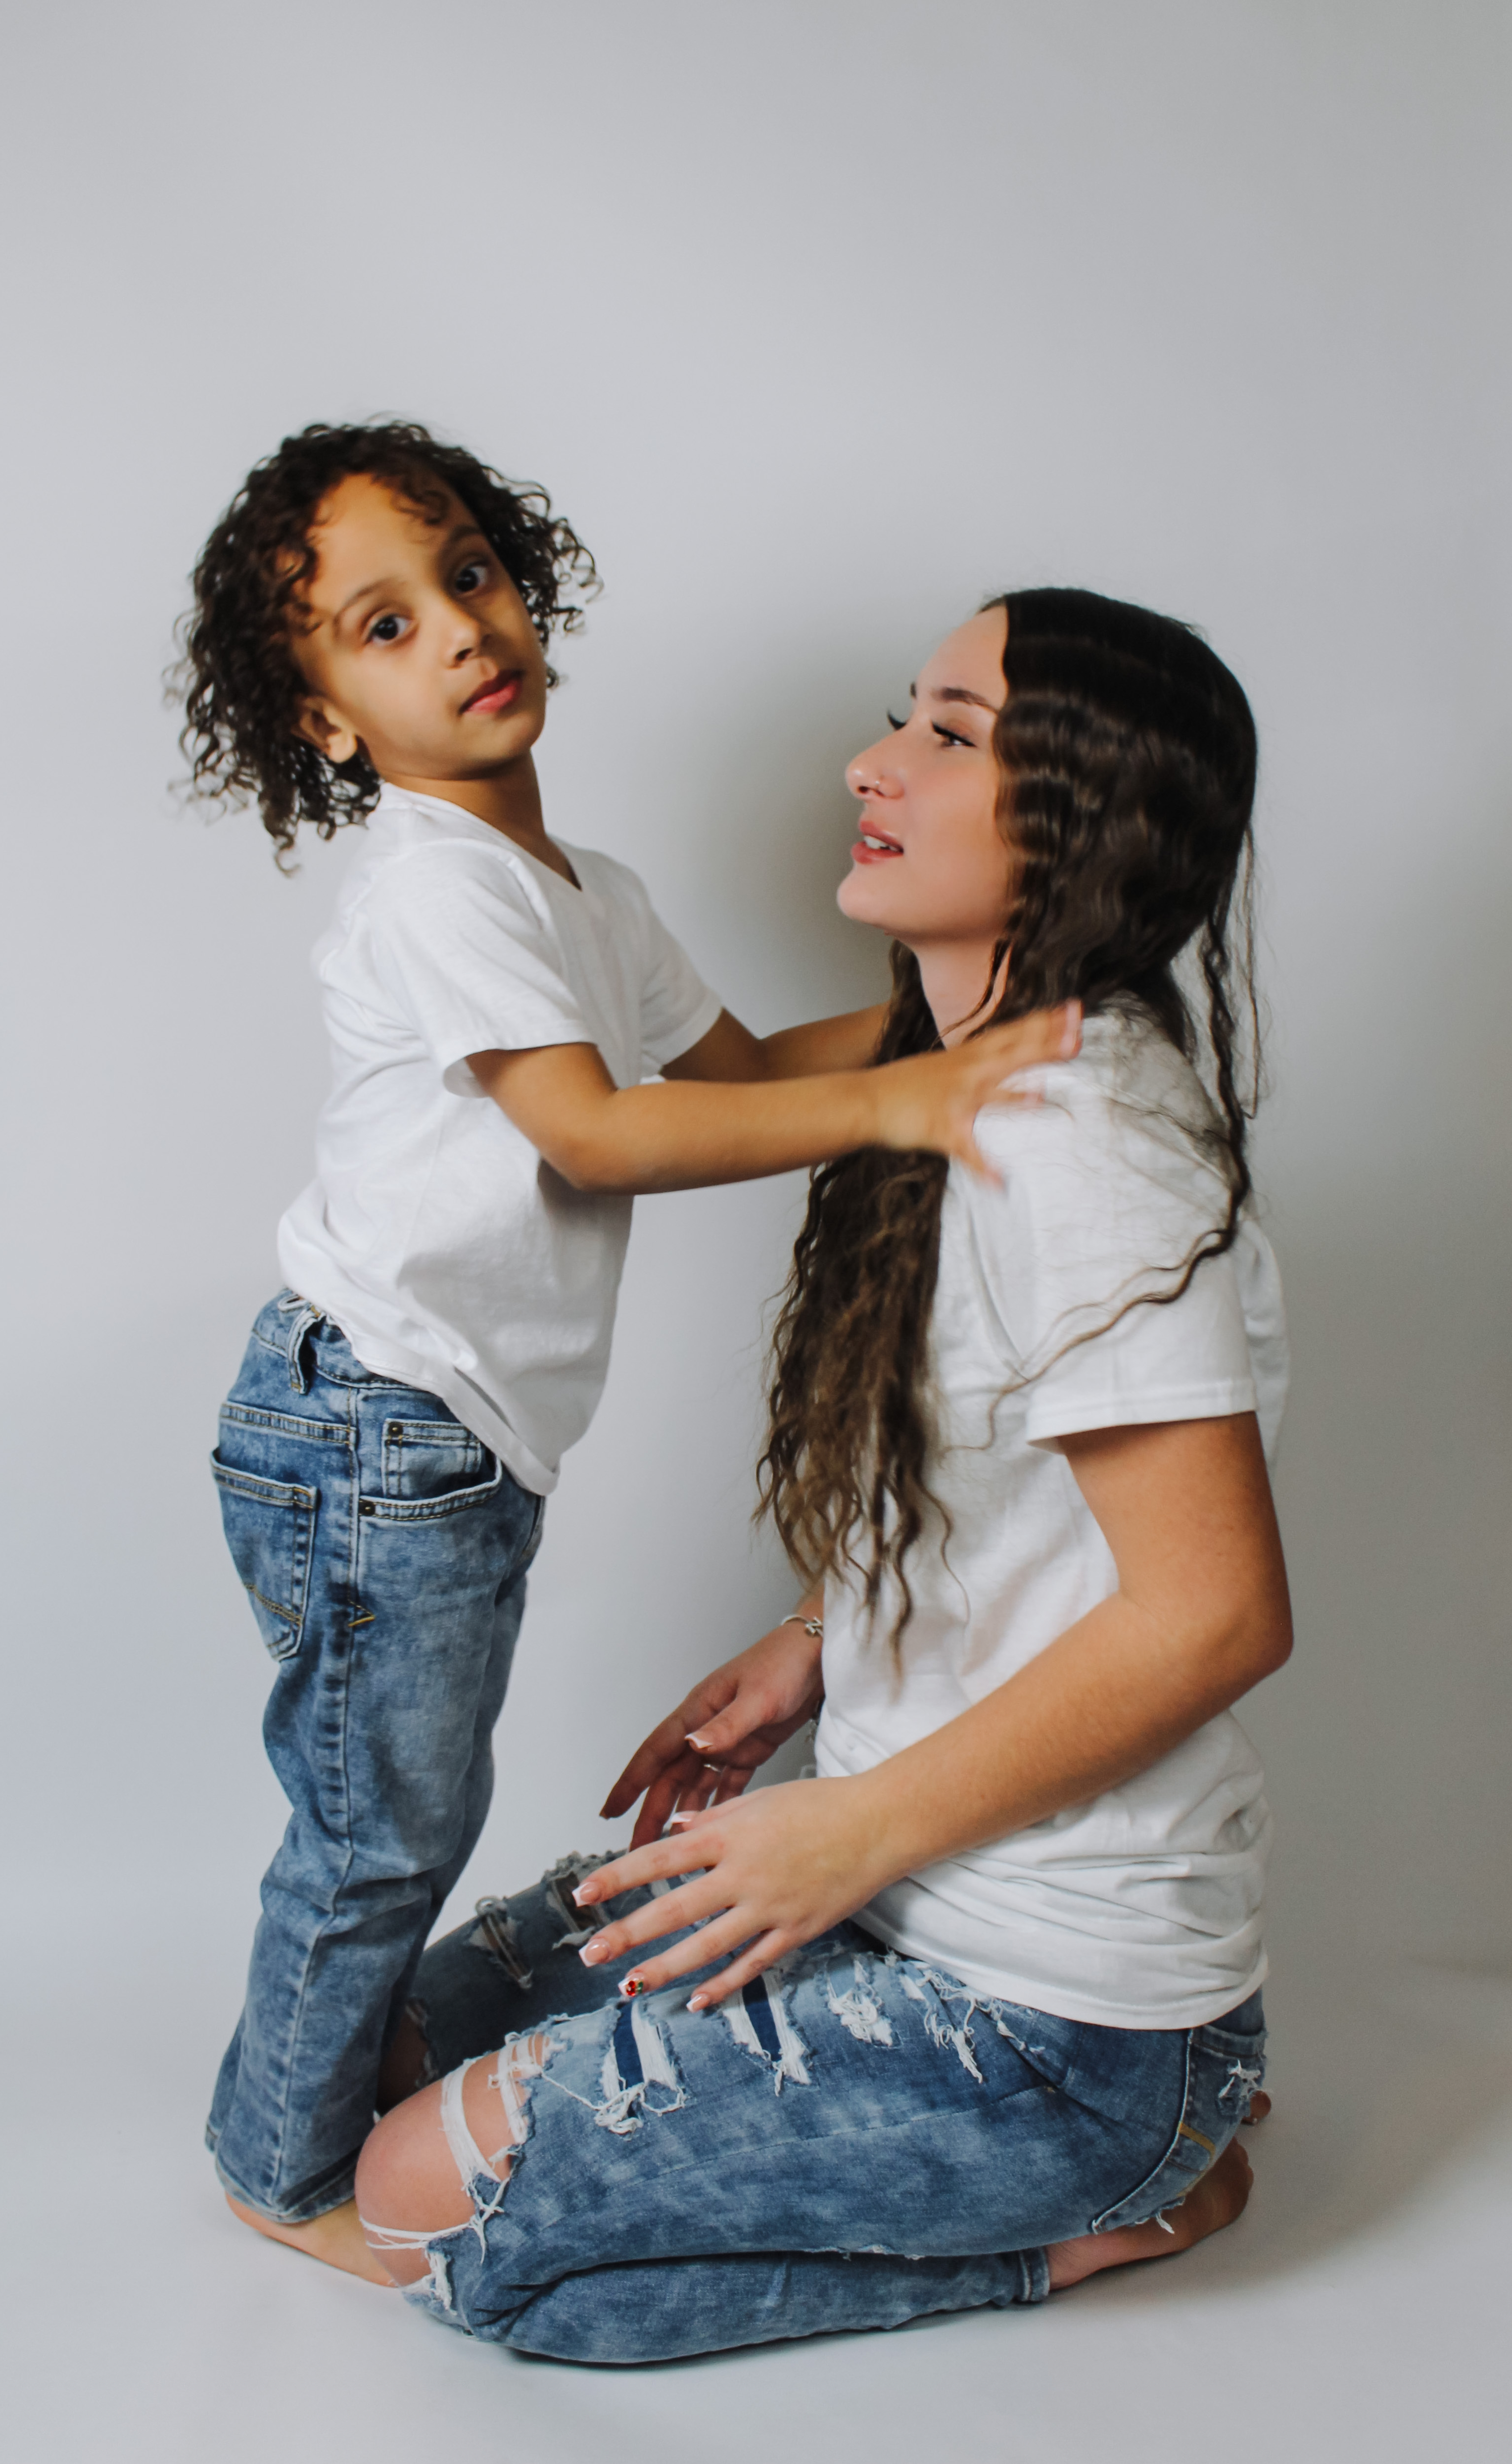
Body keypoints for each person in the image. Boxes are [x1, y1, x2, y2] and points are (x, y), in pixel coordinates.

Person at [351, 585, 1292, 2363]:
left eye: (951, 732)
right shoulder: (932, 1080)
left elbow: (1218, 1610)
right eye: (900, 715)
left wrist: (842, 1825)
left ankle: (1127, 2193)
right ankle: (1104, 2148)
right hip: (898, 1887)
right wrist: (814, 1641)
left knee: (420, 2208)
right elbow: (1008, 1478)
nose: (873, 762)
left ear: (1086, 811)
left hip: (1056, 2014)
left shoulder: (1091, 1143)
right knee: (402, 2041)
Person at [176, 424, 1075, 2277]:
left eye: (469, 575)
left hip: (446, 1435)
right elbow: (595, 1134)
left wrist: (976, 993)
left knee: (411, 1812)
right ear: (329, 721)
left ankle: (323, 2110)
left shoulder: (577, 887)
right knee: (376, 1831)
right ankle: (280, 2172)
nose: (453, 630)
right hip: (368, 1422)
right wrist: (921, 1099)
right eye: (380, 624)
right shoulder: (439, 885)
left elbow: (737, 1079)